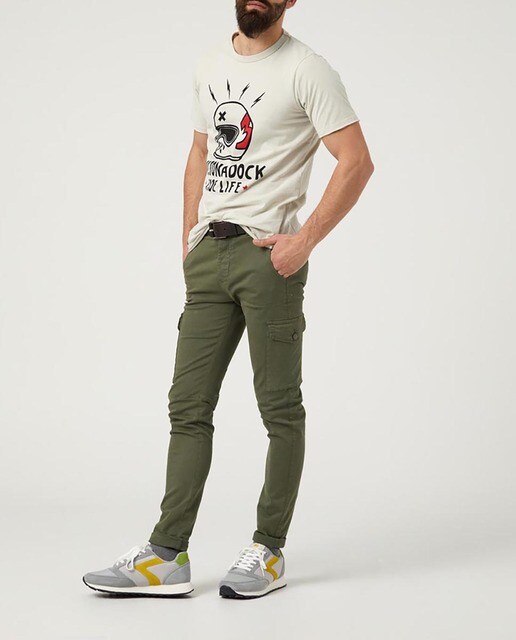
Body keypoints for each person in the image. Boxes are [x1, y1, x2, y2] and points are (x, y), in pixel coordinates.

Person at [83, 0, 374, 600]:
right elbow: (200, 151)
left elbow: (357, 161)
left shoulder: (307, 70)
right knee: (187, 405)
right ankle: (166, 556)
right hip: (208, 256)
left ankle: (268, 550)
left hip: (268, 259)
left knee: (279, 409)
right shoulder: (210, 64)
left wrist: (302, 242)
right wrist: (189, 235)